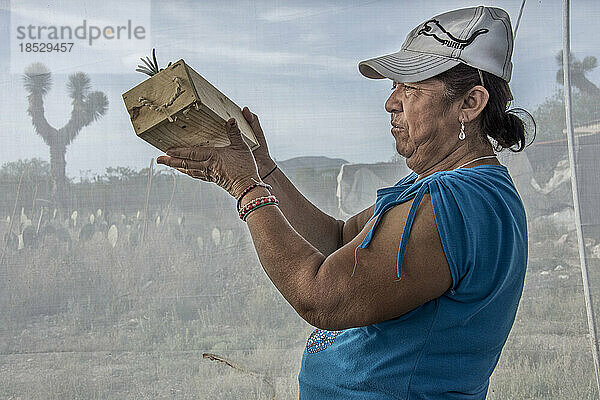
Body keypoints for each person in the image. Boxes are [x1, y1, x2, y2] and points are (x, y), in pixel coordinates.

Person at [157, 5, 532, 399]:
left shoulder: (454, 202)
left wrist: (246, 188)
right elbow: (340, 240)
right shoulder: (438, 187)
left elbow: (323, 299)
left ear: (470, 104)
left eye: (412, 88)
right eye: (394, 87)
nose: (391, 103)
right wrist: (264, 170)